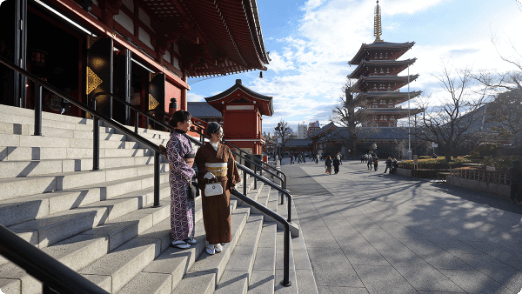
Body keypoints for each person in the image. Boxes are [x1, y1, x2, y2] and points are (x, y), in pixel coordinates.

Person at [195, 122, 241, 255]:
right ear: (213, 133)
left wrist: (233, 181)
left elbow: (231, 165)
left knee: (224, 213)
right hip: (209, 184)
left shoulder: (226, 149)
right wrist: (204, 173)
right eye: (220, 132)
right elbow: (198, 166)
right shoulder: (202, 150)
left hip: (224, 185)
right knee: (210, 213)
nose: (222, 135)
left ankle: (220, 239)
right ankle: (211, 240)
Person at [164, 110, 197, 249]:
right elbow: (175, 161)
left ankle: (187, 235)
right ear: (179, 124)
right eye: (188, 121)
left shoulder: (184, 137)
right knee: (179, 207)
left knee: (188, 206)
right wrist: (191, 172)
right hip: (179, 178)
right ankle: (178, 237)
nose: (190, 124)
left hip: (186, 177)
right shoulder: (174, 140)